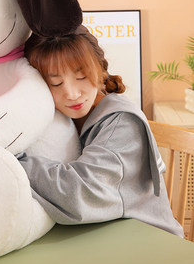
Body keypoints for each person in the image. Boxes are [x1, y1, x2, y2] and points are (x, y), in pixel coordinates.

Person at [18, 25, 184, 237]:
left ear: (100, 70)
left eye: (81, 77)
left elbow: (79, 193)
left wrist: (14, 162)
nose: (72, 94)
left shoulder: (123, 124)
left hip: (149, 241)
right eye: (56, 83)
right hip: (102, 237)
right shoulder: (53, 120)